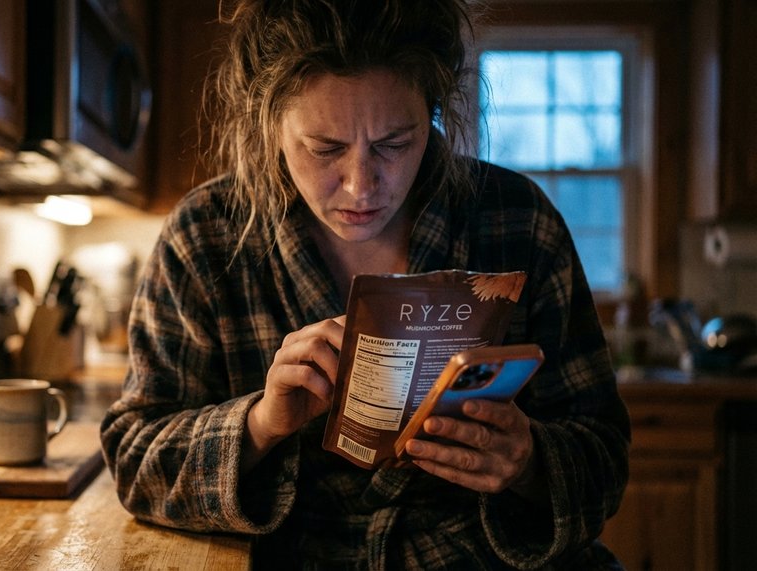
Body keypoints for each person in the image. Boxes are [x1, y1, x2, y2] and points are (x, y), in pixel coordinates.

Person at [100, 0, 630, 568]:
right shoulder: (205, 238)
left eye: (394, 145)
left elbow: (603, 461)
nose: (360, 186)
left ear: (433, 112)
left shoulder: (518, 220)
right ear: (269, 122)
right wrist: (259, 425)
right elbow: (136, 463)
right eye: (325, 149)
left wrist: (528, 464)